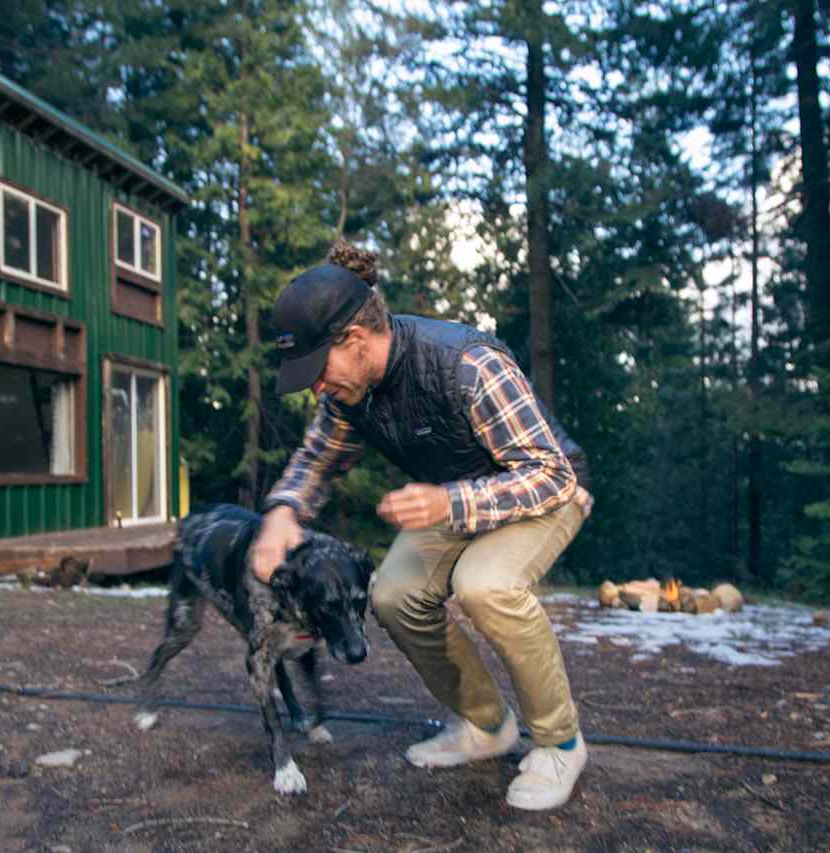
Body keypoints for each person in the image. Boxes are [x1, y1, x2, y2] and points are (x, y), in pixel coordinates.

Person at [250, 240, 594, 811]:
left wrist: (450, 504)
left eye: (316, 370)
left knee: (486, 587)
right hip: (452, 500)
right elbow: (316, 460)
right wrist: (282, 512)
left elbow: (550, 475)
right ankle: (486, 726)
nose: (315, 387)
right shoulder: (348, 394)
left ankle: (560, 742)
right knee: (392, 594)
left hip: (541, 493)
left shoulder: (466, 363)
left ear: (355, 342)